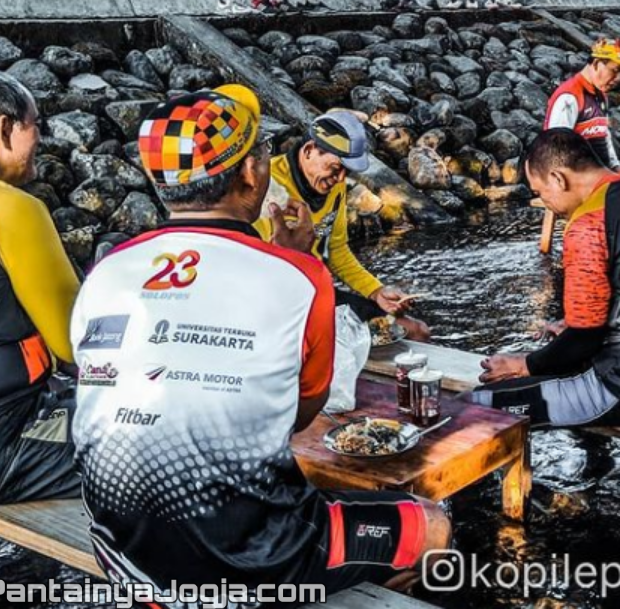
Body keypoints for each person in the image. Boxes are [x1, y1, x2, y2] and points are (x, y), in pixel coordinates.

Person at [70, 85, 450, 601]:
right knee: (432, 527)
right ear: (251, 173)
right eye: (264, 152)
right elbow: (296, 415)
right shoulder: (298, 276)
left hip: (123, 547)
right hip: (254, 554)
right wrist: (301, 260)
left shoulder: (104, 274)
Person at [470, 130, 620, 428]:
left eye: (540, 192)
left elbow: (584, 339)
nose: (545, 203)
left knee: (477, 406)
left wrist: (525, 363)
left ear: (558, 179)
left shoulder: (588, 222)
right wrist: (572, 325)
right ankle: (595, 465)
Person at [0, 71, 81, 506]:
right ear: (4, 129)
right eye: (35, 124)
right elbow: (76, 343)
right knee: (149, 438)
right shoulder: (11, 210)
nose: (41, 136)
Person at [254, 110, 430, 341]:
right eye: (335, 169)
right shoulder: (265, 186)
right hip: (273, 308)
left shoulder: (333, 187)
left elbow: (336, 249)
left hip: (317, 295)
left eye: (346, 172)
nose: (339, 180)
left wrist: (376, 291)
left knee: (415, 331)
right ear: (308, 151)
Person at [544, 37, 620, 171]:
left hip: (598, 176)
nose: (618, 78)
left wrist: (615, 166)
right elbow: (557, 149)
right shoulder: (569, 97)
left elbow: (603, 134)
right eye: (615, 70)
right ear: (596, 63)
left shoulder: (600, 95)